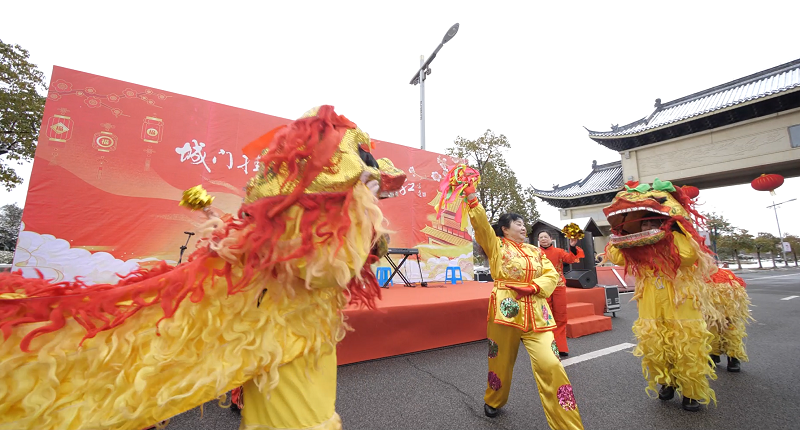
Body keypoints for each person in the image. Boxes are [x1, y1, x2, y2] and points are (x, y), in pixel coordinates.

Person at [0, 105, 406, 430]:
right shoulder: (303, 239)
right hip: (286, 351)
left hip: (302, 342)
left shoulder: (310, 233)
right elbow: (325, 265)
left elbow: (335, 260)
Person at [463, 182, 584, 430]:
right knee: (500, 363)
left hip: (538, 312)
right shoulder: (496, 246)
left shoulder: (535, 251)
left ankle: (568, 425)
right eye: (517, 223)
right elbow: (482, 226)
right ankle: (494, 400)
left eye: (523, 223)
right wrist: (472, 198)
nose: (522, 226)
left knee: (551, 363)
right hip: (506, 311)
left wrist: (534, 287)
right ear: (504, 229)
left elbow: (551, 275)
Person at [603, 179, 717, 413]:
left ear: (664, 223)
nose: (647, 227)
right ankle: (666, 382)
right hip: (650, 304)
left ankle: (691, 392)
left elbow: (688, 257)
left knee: (686, 346)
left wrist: (671, 233)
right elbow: (616, 257)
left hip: (681, 303)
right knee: (656, 347)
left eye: (652, 223)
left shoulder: (679, 239)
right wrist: (619, 234)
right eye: (643, 224)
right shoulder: (636, 248)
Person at [537, 231, 584, 357]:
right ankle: (547, 345)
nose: (543, 239)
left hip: (558, 287)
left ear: (551, 238)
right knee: (545, 316)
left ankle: (561, 346)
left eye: (545, 237)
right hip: (543, 287)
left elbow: (571, 259)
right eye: (541, 237)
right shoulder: (535, 253)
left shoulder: (558, 251)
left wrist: (572, 246)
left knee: (561, 316)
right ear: (538, 240)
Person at [705, 268, 753, 372]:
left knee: (730, 328)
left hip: (726, 294)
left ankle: (733, 357)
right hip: (708, 290)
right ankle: (713, 354)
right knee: (711, 327)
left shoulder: (724, 273)